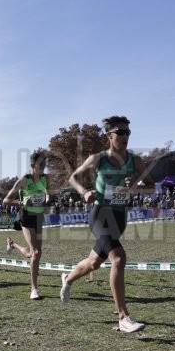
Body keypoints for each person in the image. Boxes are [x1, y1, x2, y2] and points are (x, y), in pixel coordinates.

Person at [59, 116, 149, 333]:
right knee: (118, 257)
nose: (126, 136)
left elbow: (152, 187)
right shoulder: (97, 159)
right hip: (100, 214)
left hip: (120, 217)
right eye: (121, 132)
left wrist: (137, 185)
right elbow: (72, 178)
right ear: (109, 136)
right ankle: (123, 317)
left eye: (128, 132)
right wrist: (84, 191)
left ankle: (68, 279)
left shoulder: (135, 161)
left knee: (93, 263)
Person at [3, 150, 49, 300]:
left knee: (34, 253)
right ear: (32, 165)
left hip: (39, 218)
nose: (43, 166)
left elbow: (48, 193)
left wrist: (48, 198)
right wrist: (22, 202)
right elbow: (6, 200)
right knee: (35, 253)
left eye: (45, 164)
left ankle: (13, 245)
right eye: (40, 164)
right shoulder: (24, 180)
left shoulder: (46, 178)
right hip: (27, 218)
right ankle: (34, 289)